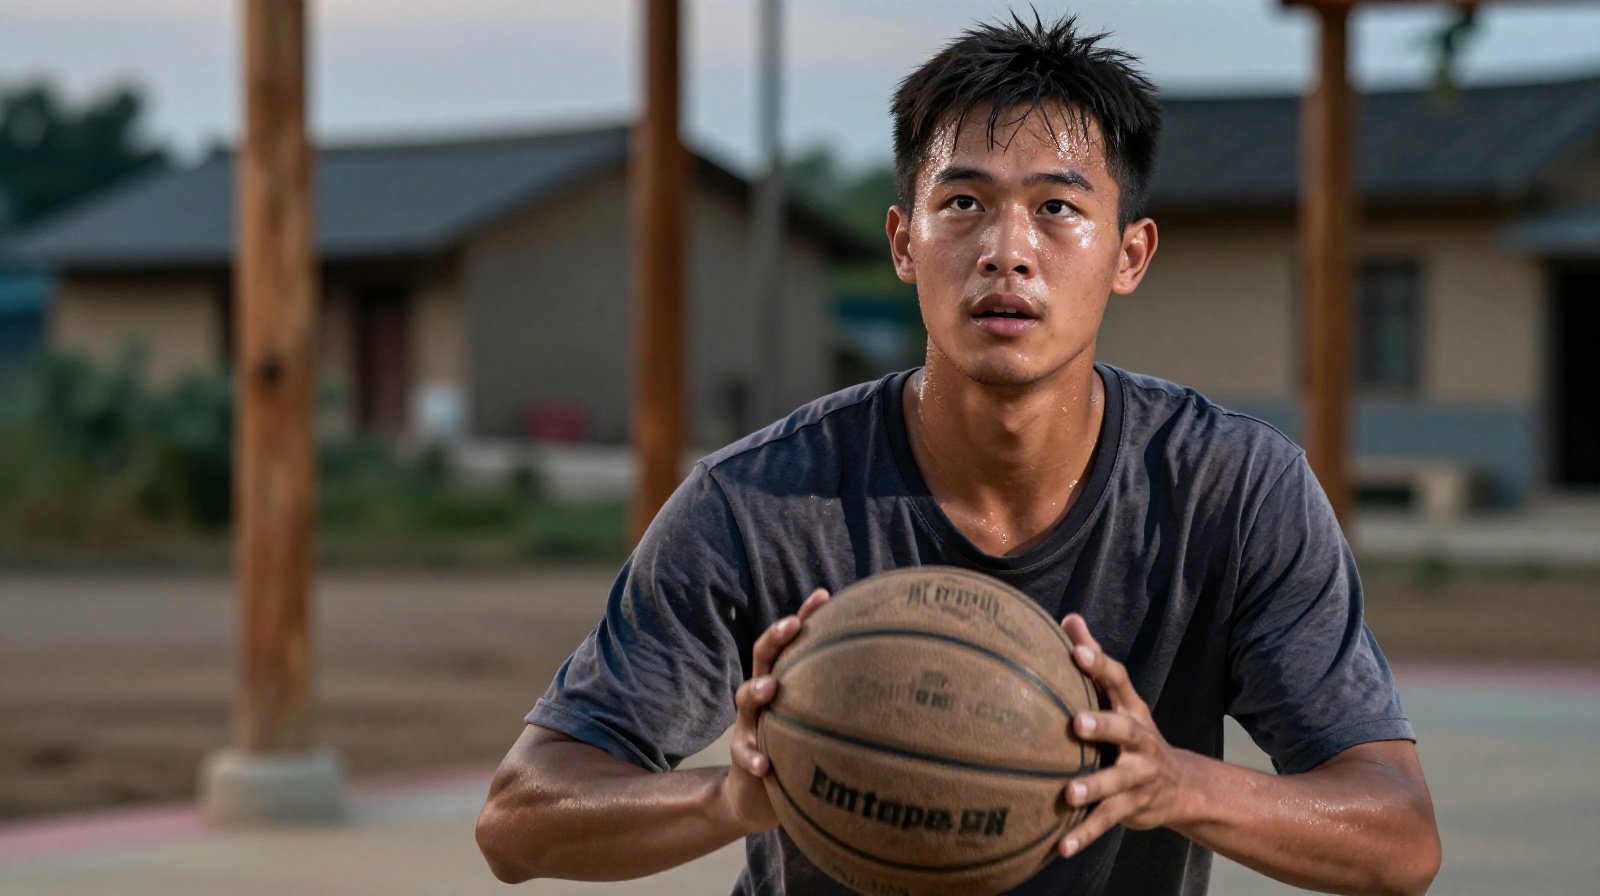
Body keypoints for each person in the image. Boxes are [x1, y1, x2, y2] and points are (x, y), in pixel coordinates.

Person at [475, 12, 1441, 896]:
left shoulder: (1232, 492)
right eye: (965, 202)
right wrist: (728, 801)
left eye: (1058, 209)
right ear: (904, 241)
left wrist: (1173, 783)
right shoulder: (759, 502)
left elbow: (1400, 841)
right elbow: (517, 820)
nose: (1007, 251)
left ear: (1130, 254)